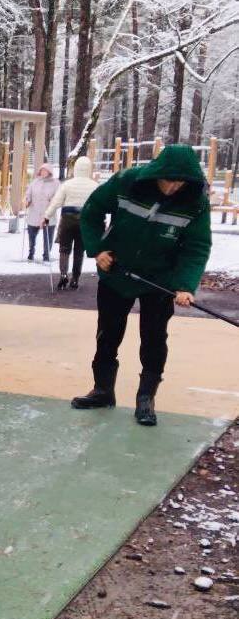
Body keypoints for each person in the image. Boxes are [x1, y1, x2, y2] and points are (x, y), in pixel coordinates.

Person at [71, 144, 211, 426]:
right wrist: (98, 249)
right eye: (168, 179)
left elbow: (196, 246)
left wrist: (185, 285)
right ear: (157, 172)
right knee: (107, 335)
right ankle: (102, 390)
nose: (173, 187)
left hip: (159, 281)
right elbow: (93, 210)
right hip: (117, 272)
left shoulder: (195, 201)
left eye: (180, 182)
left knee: (154, 339)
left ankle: (146, 398)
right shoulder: (127, 182)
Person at [42, 156, 98, 289]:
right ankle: (75, 278)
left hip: (67, 219)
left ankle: (63, 275)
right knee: (79, 250)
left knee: (64, 249)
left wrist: (46, 217)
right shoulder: (94, 186)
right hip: (85, 220)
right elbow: (98, 206)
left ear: (76, 168)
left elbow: (56, 202)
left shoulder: (67, 184)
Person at [24, 163, 58, 261]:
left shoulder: (55, 183)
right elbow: (28, 193)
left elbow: (58, 196)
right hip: (34, 213)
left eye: (45, 170)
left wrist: (52, 201)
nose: (43, 172)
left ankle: (46, 255)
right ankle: (31, 252)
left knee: (48, 237)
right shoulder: (35, 182)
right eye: (42, 170)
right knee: (31, 235)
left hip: (48, 214)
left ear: (49, 172)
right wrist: (27, 199)